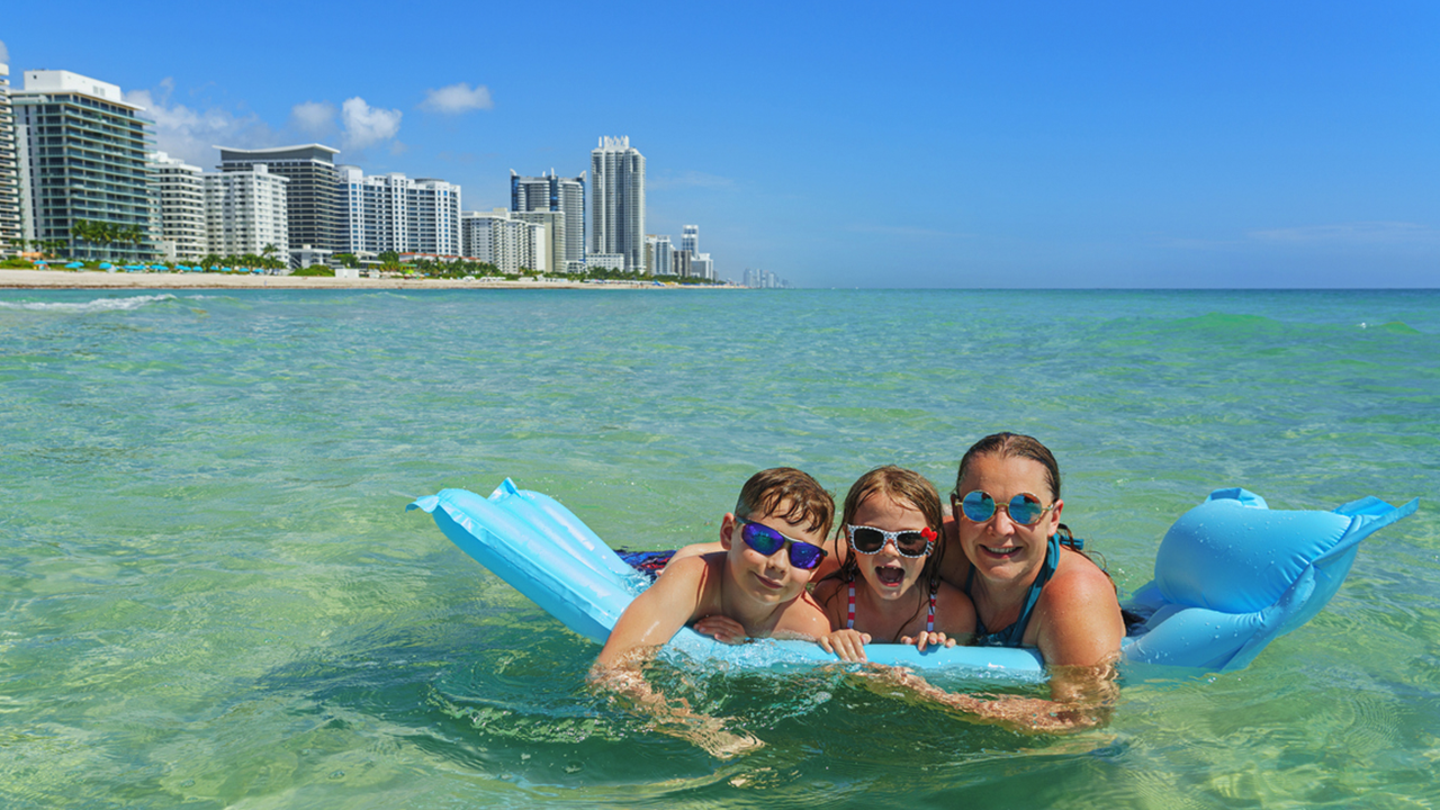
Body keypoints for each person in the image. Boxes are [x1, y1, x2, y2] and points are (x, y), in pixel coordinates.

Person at [589, 467, 835, 756]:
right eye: (764, 539)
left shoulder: (810, 626)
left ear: (815, 567)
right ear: (729, 533)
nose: (780, 564)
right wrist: (702, 730)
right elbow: (609, 671)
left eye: (803, 555)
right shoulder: (691, 581)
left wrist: (749, 643)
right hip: (651, 568)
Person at [811, 466, 975, 661]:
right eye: (870, 537)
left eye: (909, 539)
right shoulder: (835, 600)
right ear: (850, 540)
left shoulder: (953, 611)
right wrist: (832, 638)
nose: (889, 550)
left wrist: (934, 649)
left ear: (931, 544)